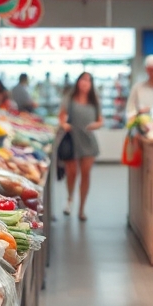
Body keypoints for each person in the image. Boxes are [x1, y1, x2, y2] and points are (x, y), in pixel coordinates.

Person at [58, 72, 103, 221]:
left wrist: (95, 125)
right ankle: (70, 199)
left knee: (86, 174)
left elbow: (100, 120)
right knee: (71, 173)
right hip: (72, 139)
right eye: (83, 80)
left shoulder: (94, 101)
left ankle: (82, 209)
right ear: (78, 82)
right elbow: (62, 116)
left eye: (88, 81)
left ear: (91, 84)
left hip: (88, 141)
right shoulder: (69, 99)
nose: (85, 83)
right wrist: (64, 124)